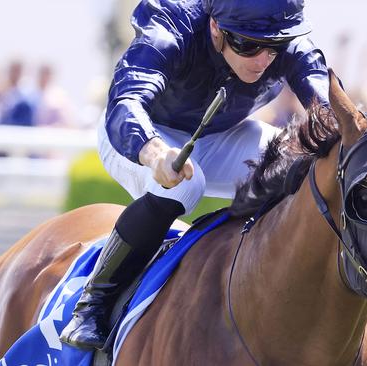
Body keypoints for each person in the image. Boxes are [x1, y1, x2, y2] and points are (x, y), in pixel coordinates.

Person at [60, 0, 329, 349]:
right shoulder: (173, 23)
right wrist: (154, 151)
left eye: (275, 47)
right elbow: (126, 101)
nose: (263, 60)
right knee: (185, 187)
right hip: (144, 132)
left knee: (301, 164)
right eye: (248, 45)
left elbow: (329, 112)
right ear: (215, 28)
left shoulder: (283, 33)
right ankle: (93, 304)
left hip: (220, 135)